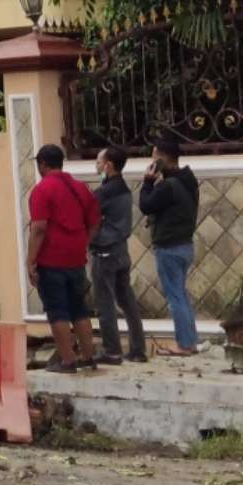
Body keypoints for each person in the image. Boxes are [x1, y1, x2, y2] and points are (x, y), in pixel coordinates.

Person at [26, 143, 100, 372]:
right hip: (76, 259)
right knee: (79, 309)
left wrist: (30, 261)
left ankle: (68, 361)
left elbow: (38, 228)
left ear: (42, 165)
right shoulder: (81, 188)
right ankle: (89, 357)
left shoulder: (42, 190)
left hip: (51, 260)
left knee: (57, 310)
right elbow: (95, 223)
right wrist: (81, 244)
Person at [140, 135, 201, 356]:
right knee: (181, 295)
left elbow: (146, 206)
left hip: (169, 247)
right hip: (185, 245)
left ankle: (184, 345)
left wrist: (147, 181)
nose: (152, 159)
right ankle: (190, 342)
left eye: (154, 155)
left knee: (175, 296)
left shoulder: (168, 186)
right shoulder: (188, 180)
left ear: (163, 157)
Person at [89, 146, 147, 364]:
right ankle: (138, 348)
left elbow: (89, 217)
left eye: (98, 161)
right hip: (121, 250)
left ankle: (112, 350)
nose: (96, 165)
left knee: (104, 302)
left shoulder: (103, 192)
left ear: (108, 165)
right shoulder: (123, 188)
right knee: (127, 301)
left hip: (104, 252)